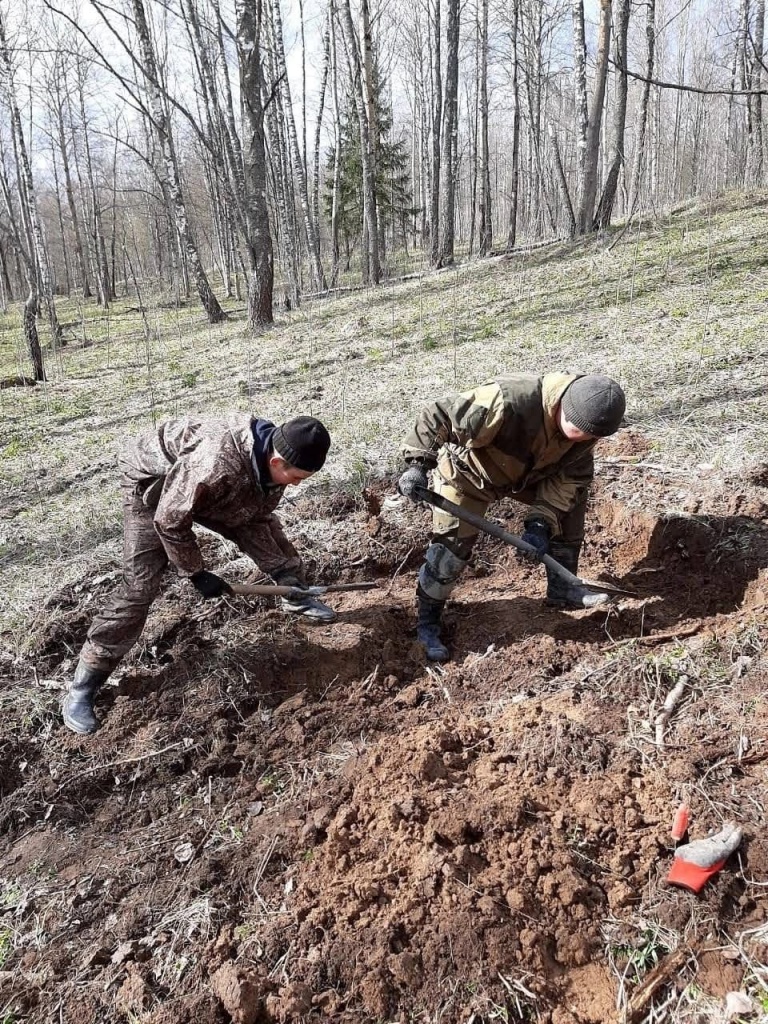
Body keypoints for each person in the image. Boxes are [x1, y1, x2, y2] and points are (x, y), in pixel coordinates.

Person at [63, 414, 334, 735]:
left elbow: (255, 518)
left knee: (253, 519)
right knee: (139, 587)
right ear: (277, 461)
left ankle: (294, 593)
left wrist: (287, 576)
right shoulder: (216, 463)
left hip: (204, 483)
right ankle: (84, 685)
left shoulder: (268, 462)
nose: (298, 484)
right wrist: (196, 573)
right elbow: (169, 519)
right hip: (153, 483)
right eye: (297, 477)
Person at [397, 373, 626, 661]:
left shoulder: (589, 428)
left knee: (574, 498)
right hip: (467, 474)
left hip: (528, 475)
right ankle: (427, 623)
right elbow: (440, 413)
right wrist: (418, 464)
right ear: (562, 407)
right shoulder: (507, 401)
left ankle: (563, 587)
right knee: (450, 550)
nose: (583, 438)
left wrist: (540, 523)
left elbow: (568, 481)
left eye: (590, 435)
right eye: (577, 428)